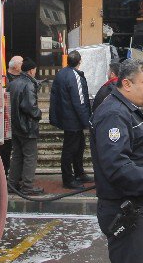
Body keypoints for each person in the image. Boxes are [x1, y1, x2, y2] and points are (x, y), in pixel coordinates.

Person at [90, 59, 143, 263]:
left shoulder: (125, 108)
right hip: (125, 206)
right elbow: (115, 163)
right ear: (126, 84)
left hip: (133, 203)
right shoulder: (114, 113)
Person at [49, 50, 92, 189]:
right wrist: (87, 121)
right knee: (71, 149)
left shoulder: (61, 74)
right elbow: (79, 101)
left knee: (77, 146)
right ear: (80, 61)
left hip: (65, 117)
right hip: (73, 119)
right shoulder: (75, 76)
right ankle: (69, 178)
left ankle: (78, 173)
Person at [6, 58, 44, 195]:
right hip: (27, 126)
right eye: (35, 69)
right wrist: (38, 114)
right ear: (31, 70)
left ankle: (12, 184)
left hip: (15, 125)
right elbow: (30, 107)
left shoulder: (13, 83)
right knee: (30, 156)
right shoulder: (28, 84)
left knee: (17, 155)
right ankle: (27, 186)